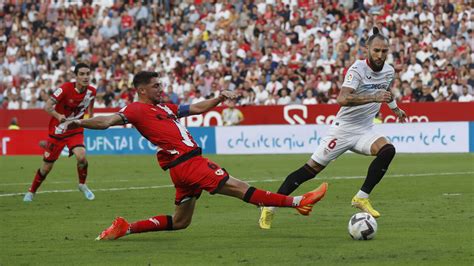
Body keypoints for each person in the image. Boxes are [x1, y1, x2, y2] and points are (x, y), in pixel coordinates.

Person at [63, 71, 328, 240]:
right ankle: (298, 202)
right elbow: (107, 121)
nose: (160, 89)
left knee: (181, 222)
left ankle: (126, 227)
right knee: (238, 186)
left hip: (182, 168)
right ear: (142, 89)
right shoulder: (135, 109)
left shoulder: (165, 107)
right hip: (189, 162)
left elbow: (196, 107)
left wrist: (219, 98)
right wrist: (79, 123)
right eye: (155, 86)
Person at [259, 27, 408, 229]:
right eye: (376, 50)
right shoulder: (357, 69)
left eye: (384, 51)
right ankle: (269, 206)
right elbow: (342, 98)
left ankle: (361, 198)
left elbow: (385, 90)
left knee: (388, 150)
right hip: (343, 129)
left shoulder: (389, 71)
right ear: (367, 49)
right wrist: (373, 97)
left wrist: (395, 109)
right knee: (310, 170)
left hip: (365, 129)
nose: (380, 55)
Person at [23, 63, 96, 202]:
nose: (85, 77)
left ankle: (82, 184)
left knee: (81, 157)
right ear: (76, 76)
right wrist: (58, 116)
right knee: (46, 168)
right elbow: (47, 106)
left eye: (88, 73)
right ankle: (31, 191)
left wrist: (90, 121)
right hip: (57, 132)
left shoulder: (92, 92)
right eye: (82, 74)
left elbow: (90, 111)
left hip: (75, 130)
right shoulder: (65, 89)